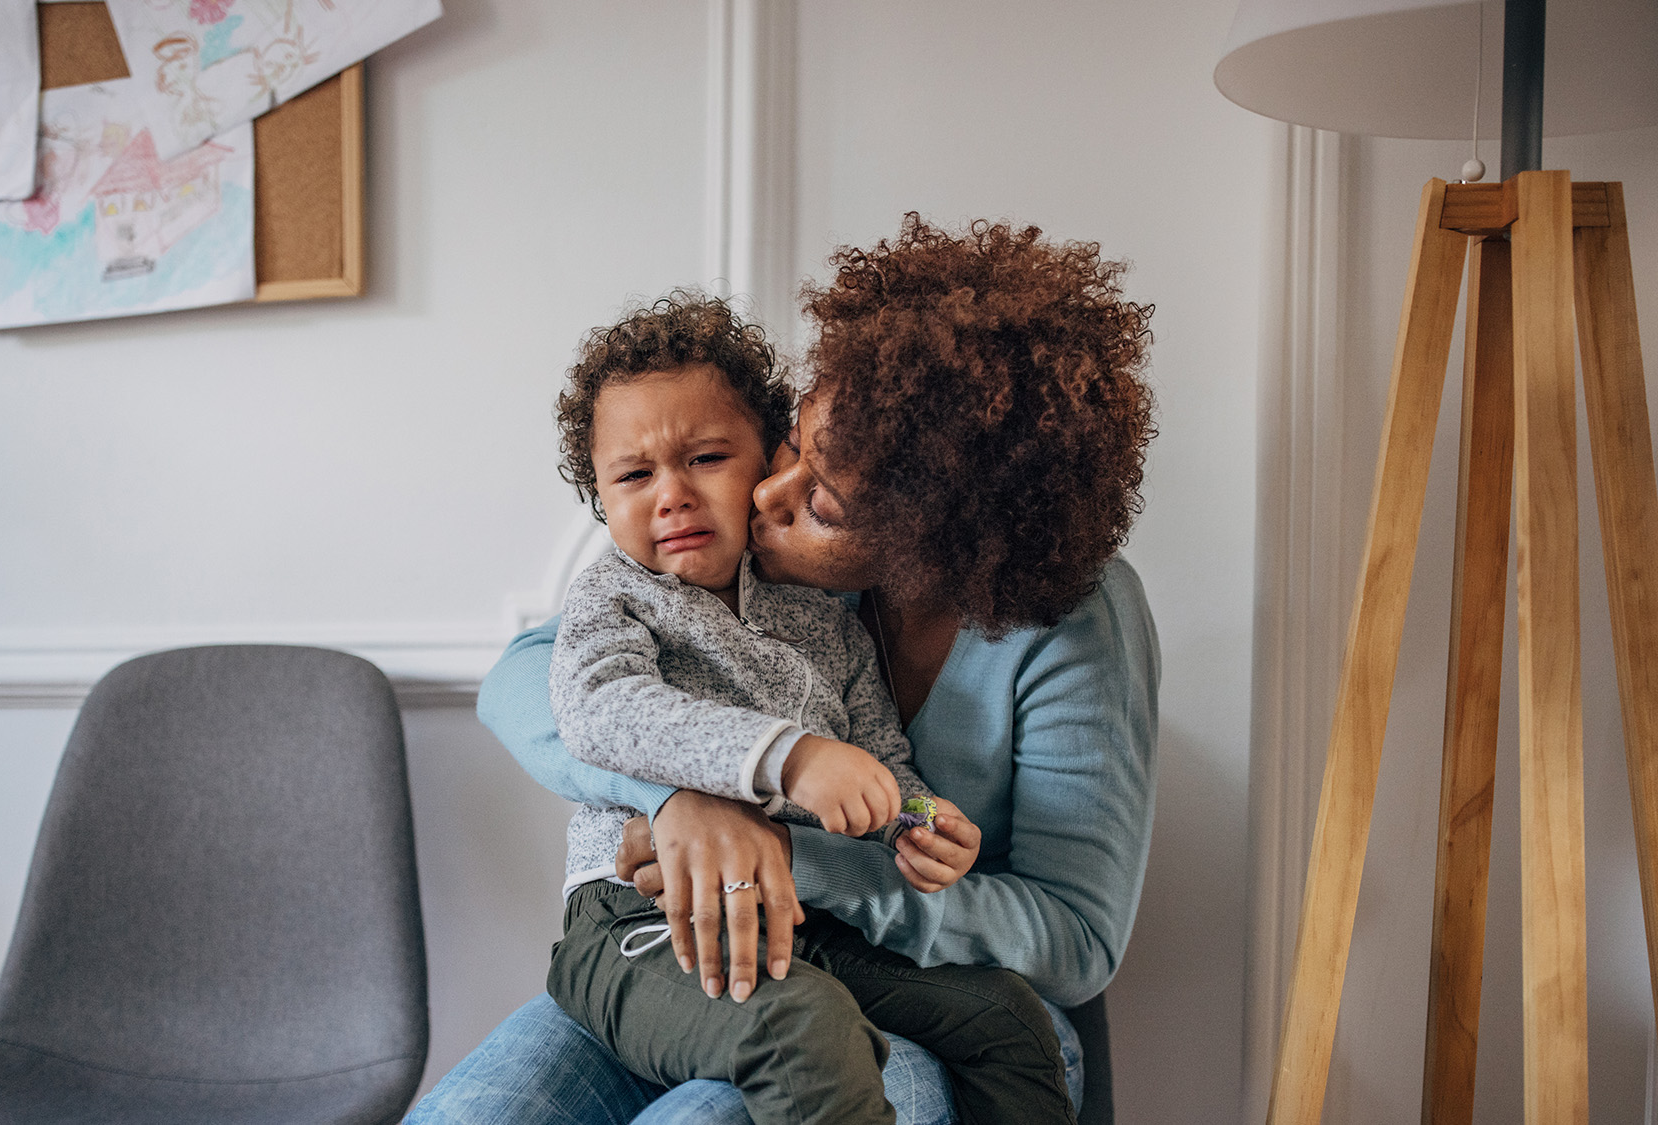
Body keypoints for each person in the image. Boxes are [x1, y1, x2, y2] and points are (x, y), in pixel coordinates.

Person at [407, 215, 1160, 1125]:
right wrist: (686, 803)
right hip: (663, 925)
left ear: (932, 539)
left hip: (919, 973)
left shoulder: (1064, 622)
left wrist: (830, 851)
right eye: (794, 443)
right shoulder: (715, 565)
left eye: (824, 498)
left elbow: (1074, 939)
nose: (768, 492)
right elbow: (541, 683)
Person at [545, 294, 1072, 1124]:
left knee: (1005, 1016)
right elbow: (602, 711)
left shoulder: (819, 609)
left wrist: (919, 817)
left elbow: (877, 754)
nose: (672, 496)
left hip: (807, 917)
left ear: (764, 460)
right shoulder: (612, 599)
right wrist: (787, 755)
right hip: (637, 920)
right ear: (600, 494)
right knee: (805, 1029)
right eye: (634, 475)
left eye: (707, 458)